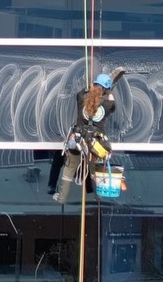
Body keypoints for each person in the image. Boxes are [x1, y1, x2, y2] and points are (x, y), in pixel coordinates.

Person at [52, 69, 125, 203]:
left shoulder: (81, 99)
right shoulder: (107, 105)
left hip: (78, 141)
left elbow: (82, 92)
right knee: (94, 169)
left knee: (69, 168)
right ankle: (98, 196)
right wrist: (108, 91)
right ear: (105, 89)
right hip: (94, 144)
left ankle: (62, 198)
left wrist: (91, 87)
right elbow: (112, 102)